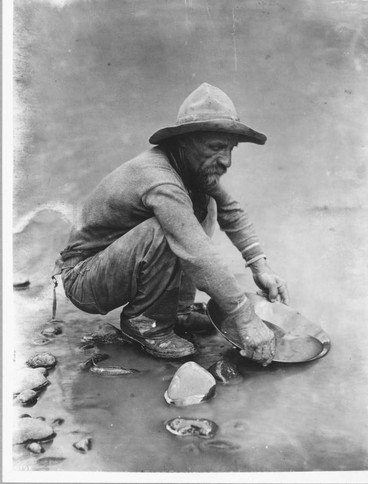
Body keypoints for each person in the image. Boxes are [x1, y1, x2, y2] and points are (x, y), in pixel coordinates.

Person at [55, 82, 289, 365]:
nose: (226, 161)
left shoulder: (190, 170)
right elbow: (197, 253)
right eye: (216, 148)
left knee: (207, 205)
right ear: (183, 142)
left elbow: (232, 211)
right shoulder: (159, 179)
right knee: (169, 230)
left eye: (230, 149)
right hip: (83, 277)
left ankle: (178, 310)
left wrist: (260, 266)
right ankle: (146, 323)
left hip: (111, 265)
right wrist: (245, 317)